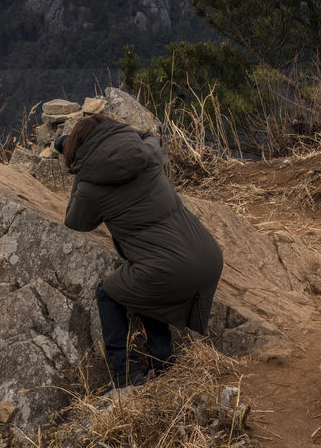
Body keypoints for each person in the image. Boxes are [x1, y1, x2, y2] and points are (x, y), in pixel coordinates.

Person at [58, 114, 223, 388]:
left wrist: (78, 167)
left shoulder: (90, 188)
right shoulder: (148, 155)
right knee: (143, 288)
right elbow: (147, 136)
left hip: (170, 269)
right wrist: (120, 135)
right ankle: (163, 362)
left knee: (108, 293)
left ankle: (124, 374)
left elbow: (74, 221)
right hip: (208, 256)